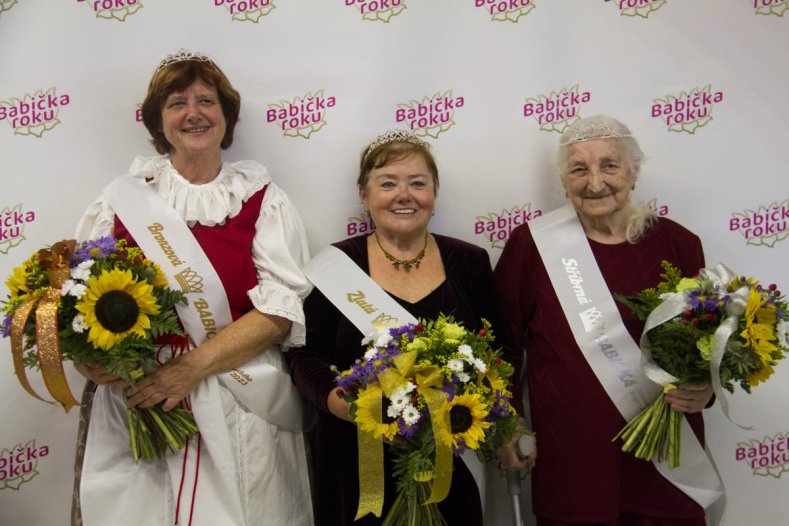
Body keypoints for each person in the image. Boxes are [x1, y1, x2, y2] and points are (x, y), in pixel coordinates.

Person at [70, 50, 313, 526]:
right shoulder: (121, 198)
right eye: (177, 103)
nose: (194, 113)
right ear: (159, 122)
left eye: (207, 101)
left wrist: (188, 369)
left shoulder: (259, 196)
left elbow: (281, 306)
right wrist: (91, 360)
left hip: (236, 393)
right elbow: (79, 299)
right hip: (138, 397)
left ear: (226, 116)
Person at [287, 130, 532, 526]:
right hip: (353, 456)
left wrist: (503, 418)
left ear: (434, 195)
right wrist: (339, 403)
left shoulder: (469, 262)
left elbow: (501, 349)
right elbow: (302, 353)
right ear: (364, 196)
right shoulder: (335, 265)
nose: (404, 195)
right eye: (388, 184)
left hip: (448, 452)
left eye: (418, 183)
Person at [495, 115, 717, 526]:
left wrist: (705, 388)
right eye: (579, 169)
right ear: (564, 181)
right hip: (573, 461)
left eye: (609, 166)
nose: (595, 182)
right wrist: (510, 420)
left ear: (633, 172)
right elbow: (502, 344)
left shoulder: (680, 244)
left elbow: (705, 344)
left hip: (667, 459)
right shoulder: (531, 245)